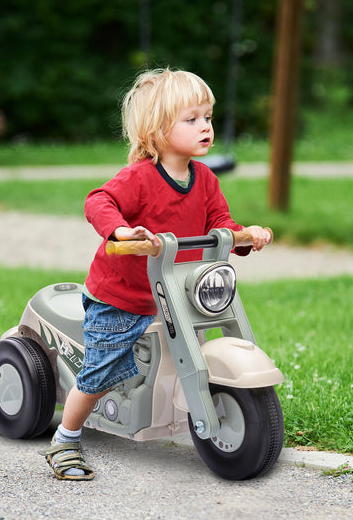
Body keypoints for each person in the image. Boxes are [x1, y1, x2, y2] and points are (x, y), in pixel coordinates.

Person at [40, 68, 271, 480]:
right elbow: (99, 200)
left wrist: (243, 236)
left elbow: (221, 224)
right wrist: (123, 231)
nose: (205, 127)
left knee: (193, 351)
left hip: (176, 294)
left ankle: (185, 409)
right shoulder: (140, 178)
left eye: (208, 117)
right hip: (122, 296)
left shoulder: (205, 180)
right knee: (100, 371)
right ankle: (66, 439)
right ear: (159, 130)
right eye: (192, 119)